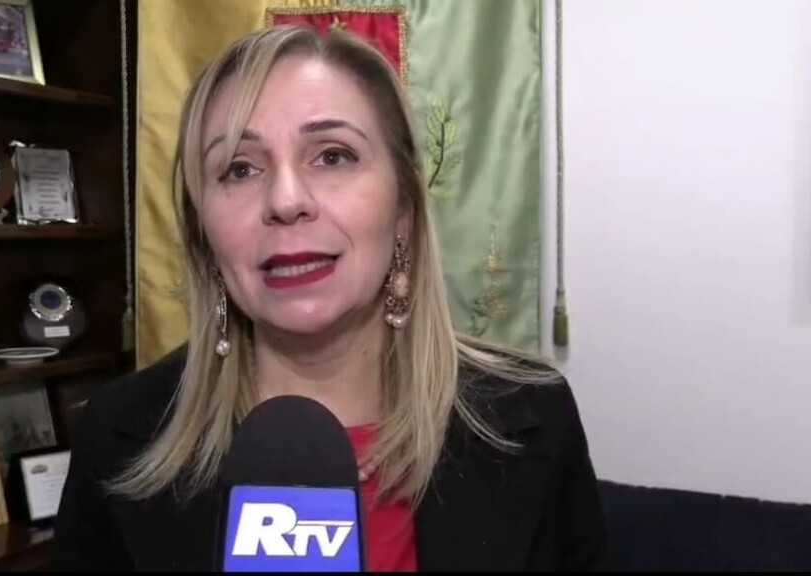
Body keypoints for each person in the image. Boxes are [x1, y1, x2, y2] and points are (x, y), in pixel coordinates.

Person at [51, 24, 608, 572]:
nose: (286, 199)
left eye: (333, 156)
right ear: (204, 234)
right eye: (239, 169)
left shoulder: (533, 415)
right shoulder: (117, 437)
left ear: (403, 209)